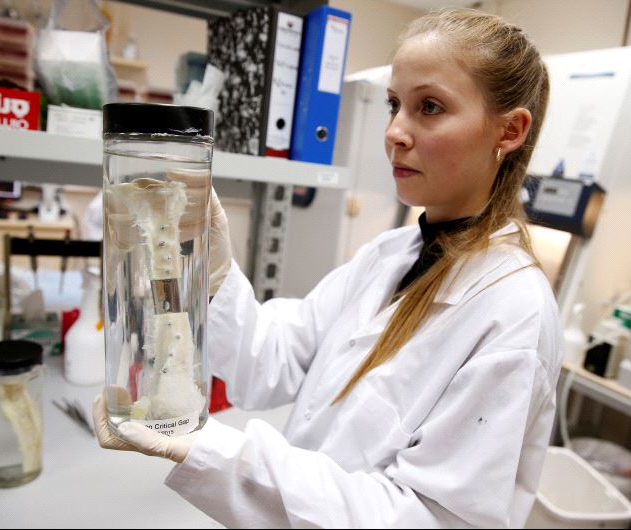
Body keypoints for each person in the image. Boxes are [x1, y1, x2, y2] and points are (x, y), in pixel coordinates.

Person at [93, 7, 563, 528]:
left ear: (510, 130)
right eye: (394, 105)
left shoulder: (512, 311)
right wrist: (215, 273)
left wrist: (210, 451)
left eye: (429, 107)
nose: (395, 132)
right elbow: (273, 359)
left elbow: (429, 518)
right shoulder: (390, 255)